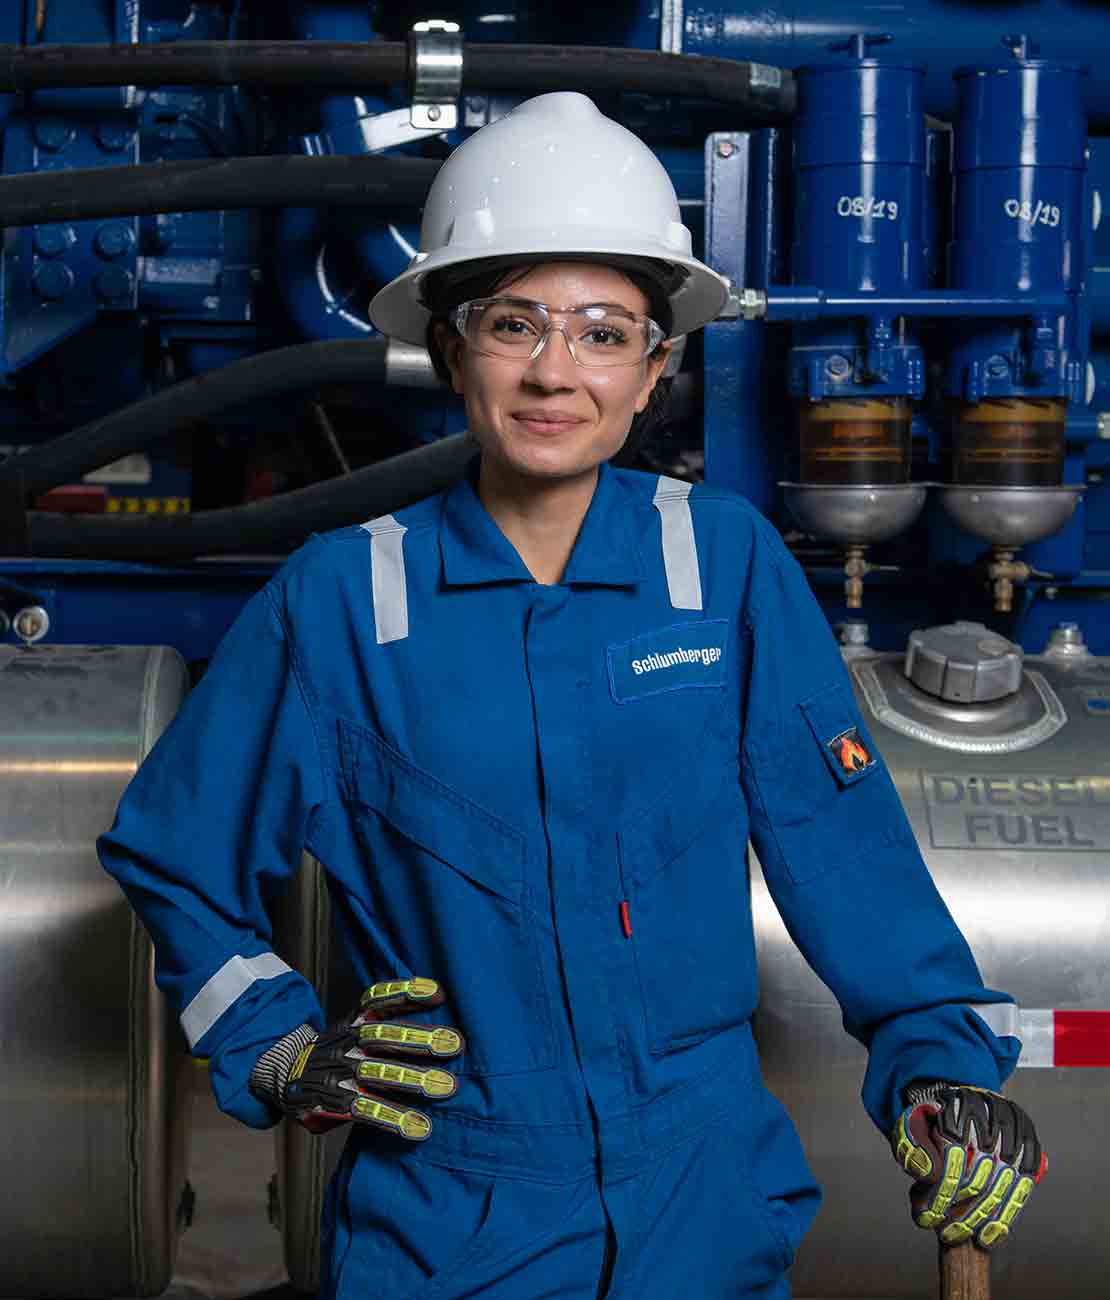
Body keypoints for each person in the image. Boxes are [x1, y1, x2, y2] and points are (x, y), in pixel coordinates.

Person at [97, 92, 1044, 1299]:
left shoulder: (724, 565)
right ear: (451, 347)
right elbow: (174, 855)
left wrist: (941, 1064)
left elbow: (845, 857)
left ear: (656, 369)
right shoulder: (346, 597)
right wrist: (274, 1038)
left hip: (706, 1204)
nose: (556, 371)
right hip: (451, 1216)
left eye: (604, 332)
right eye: (514, 323)